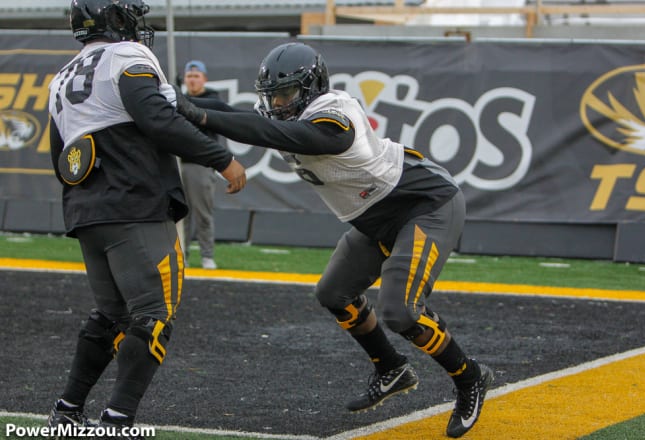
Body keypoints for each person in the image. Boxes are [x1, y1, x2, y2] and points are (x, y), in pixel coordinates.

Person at [176, 42, 493, 438]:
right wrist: (180, 102)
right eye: (272, 94)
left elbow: (268, 130)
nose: (276, 102)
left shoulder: (335, 117)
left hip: (423, 204)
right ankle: (391, 367)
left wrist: (200, 114)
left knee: (401, 311)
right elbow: (245, 117)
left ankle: (469, 378)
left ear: (311, 88)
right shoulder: (292, 111)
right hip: (375, 217)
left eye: (285, 93)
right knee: (334, 293)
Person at [46, 1, 245, 438]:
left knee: (111, 314)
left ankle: (67, 410)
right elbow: (158, 119)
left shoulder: (60, 77)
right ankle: (117, 420)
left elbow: (59, 155)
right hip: (134, 204)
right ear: (115, 19)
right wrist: (220, 158)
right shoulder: (126, 57)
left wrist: (88, 202)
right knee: (153, 315)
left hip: (86, 210)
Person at [180, 60, 222, 269]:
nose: (193, 80)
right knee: (180, 214)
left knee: (203, 213)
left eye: (196, 76)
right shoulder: (179, 100)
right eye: (189, 76)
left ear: (204, 79)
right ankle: (182, 254)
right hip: (179, 162)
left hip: (200, 163)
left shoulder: (211, 100)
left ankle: (207, 255)